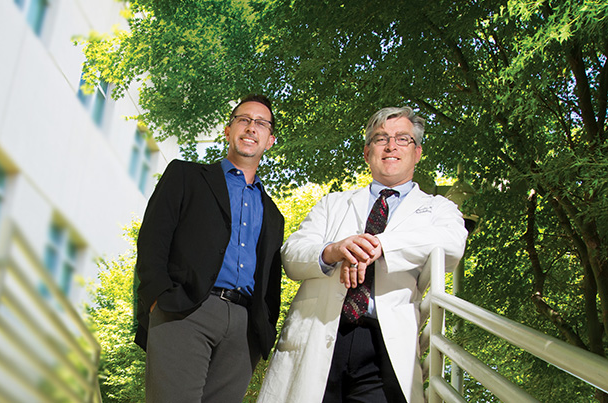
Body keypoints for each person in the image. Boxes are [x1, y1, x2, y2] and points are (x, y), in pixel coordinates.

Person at [257, 107, 468, 403]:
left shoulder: (437, 209)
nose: (391, 146)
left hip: (382, 346)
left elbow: (452, 245)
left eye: (402, 139)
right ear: (368, 152)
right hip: (321, 333)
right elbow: (292, 254)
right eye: (381, 138)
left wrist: (381, 245)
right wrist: (332, 251)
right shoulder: (333, 204)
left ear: (417, 153)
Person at [134, 94, 284, 402]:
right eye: (243, 120)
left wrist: (264, 328)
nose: (251, 127)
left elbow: (271, 280)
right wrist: (157, 298)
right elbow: (153, 239)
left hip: (244, 330)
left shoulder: (273, 214)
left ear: (270, 140)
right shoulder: (186, 176)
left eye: (260, 123)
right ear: (228, 131)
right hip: (185, 311)